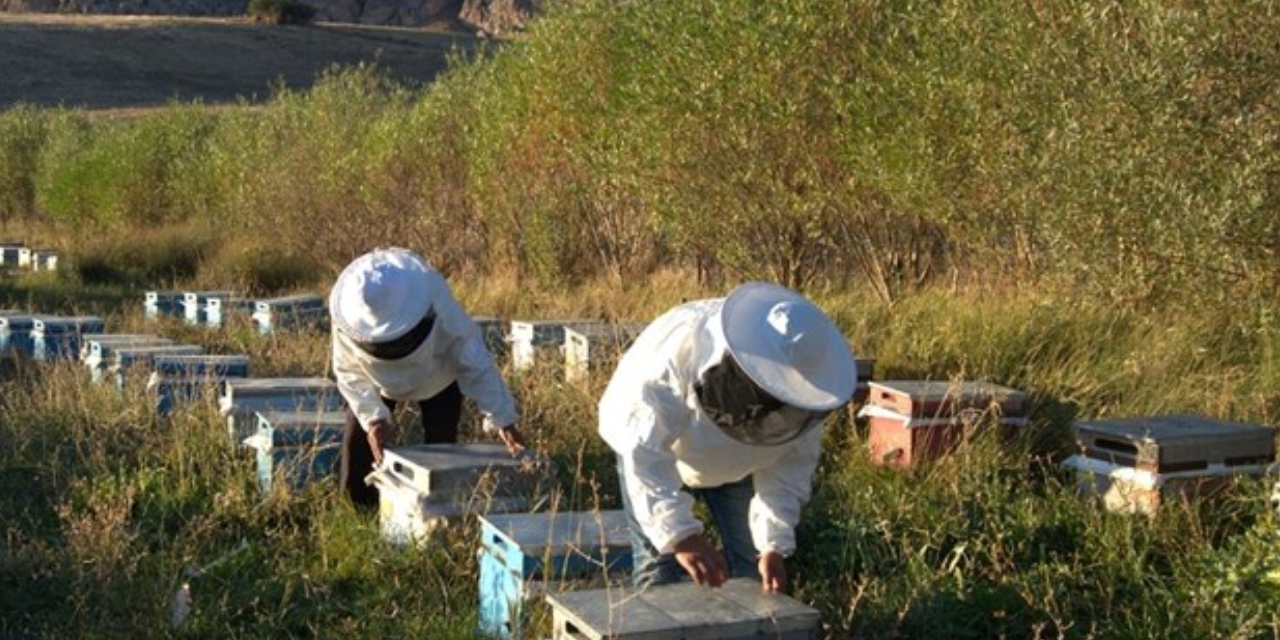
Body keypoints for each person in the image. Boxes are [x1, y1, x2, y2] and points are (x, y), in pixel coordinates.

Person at [598, 281, 856, 593]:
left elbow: (789, 470)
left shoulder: (807, 397)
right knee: (658, 569)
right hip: (657, 448)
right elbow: (644, 453)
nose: (775, 411)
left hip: (735, 466)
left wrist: (773, 546)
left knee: (752, 570)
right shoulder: (678, 352)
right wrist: (680, 536)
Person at [329, 246, 526, 507]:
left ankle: (440, 511)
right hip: (374, 378)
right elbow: (348, 370)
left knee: (442, 452)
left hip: (437, 373)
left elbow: (472, 357)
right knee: (358, 447)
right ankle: (358, 510)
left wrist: (503, 419)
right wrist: (373, 418)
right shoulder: (347, 312)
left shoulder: (434, 295)